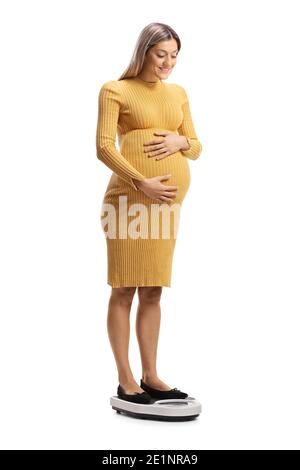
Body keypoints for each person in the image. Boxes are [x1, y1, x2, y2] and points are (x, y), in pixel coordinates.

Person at [96, 22, 202, 404]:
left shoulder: (178, 93)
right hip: (128, 202)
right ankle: (126, 380)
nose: (168, 63)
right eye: (161, 55)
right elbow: (105, 148)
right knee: (124, 288)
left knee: (154, 290)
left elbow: (197, 147)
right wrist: (143, 182)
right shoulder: (116, 90)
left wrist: (182, 140)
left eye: (174, 56)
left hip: (165, 208)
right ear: (144, 52)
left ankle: (151, 375)